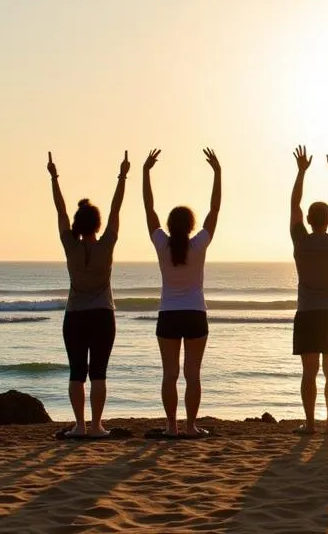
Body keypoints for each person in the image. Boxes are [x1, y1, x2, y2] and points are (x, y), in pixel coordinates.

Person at [47, 150, 129, 438]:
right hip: (103, 316)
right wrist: (122, 176)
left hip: (75, 317)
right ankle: (96, 427)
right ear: (97, 223)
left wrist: (54, 177)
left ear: (77, 225)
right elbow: (117, 209)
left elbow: (60, 211)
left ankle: (80, 427)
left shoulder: (70, 246)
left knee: (76, 373)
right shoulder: (106, 244)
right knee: (99, 373)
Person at [143, 147, 221, 438]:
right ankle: (190, 427)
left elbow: (149, 210)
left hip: (169, 315)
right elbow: (214, 211)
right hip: (195, 314)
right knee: (192, 376)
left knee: (170, 375)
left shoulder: (162, 244)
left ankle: (171, 427)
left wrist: (145, 173)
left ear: (168, 225)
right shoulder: (199, 244)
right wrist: (217, 173)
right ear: (190, 225)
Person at [290, 144, 328, 434]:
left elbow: (293, 206)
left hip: (308, 314)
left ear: (310, 221)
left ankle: (311, 423)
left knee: (309, 372)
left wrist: (301, 173)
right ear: (327, 220)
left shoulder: (300, 241)